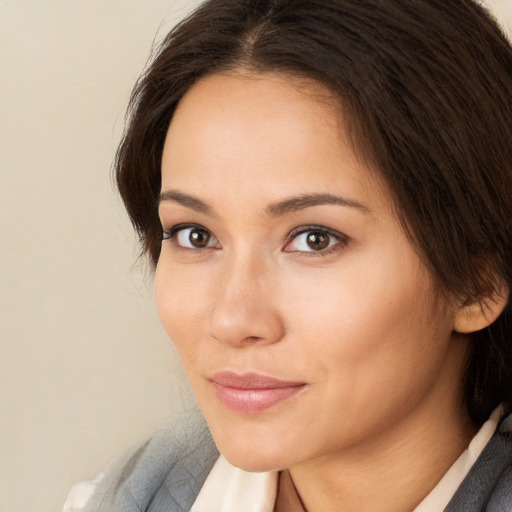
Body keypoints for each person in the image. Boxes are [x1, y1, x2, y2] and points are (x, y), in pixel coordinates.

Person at [64, 0, 512, 510]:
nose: (233, 320)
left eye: (314, 239)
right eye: (194, 235)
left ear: (479, 282)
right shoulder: (123, 496)